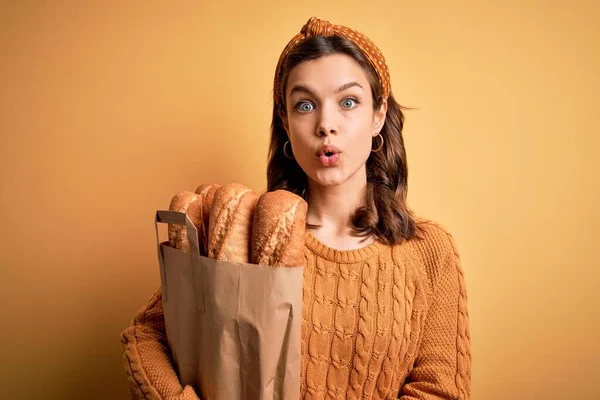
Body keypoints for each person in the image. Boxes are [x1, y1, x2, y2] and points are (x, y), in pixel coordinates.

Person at [121, 16, 472, 399]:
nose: (326, 124)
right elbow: (147, 334)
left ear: (378, 116)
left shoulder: (430, 252)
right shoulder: (245, 231)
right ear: (286, 124)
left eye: (348, 102)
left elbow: (440, 390)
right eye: (305, 105)